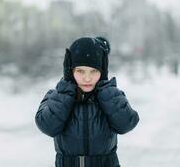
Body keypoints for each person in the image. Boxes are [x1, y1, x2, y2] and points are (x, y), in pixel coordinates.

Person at [35, 36, 140, 167]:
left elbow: (127, 124)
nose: (87, 78)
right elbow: (47, 126)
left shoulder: (110, 95)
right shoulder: (56, 96)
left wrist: (106, 91)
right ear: (70, 70)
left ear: (102, 72)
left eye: (94, 71)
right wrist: (66, 91)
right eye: (80, 71)